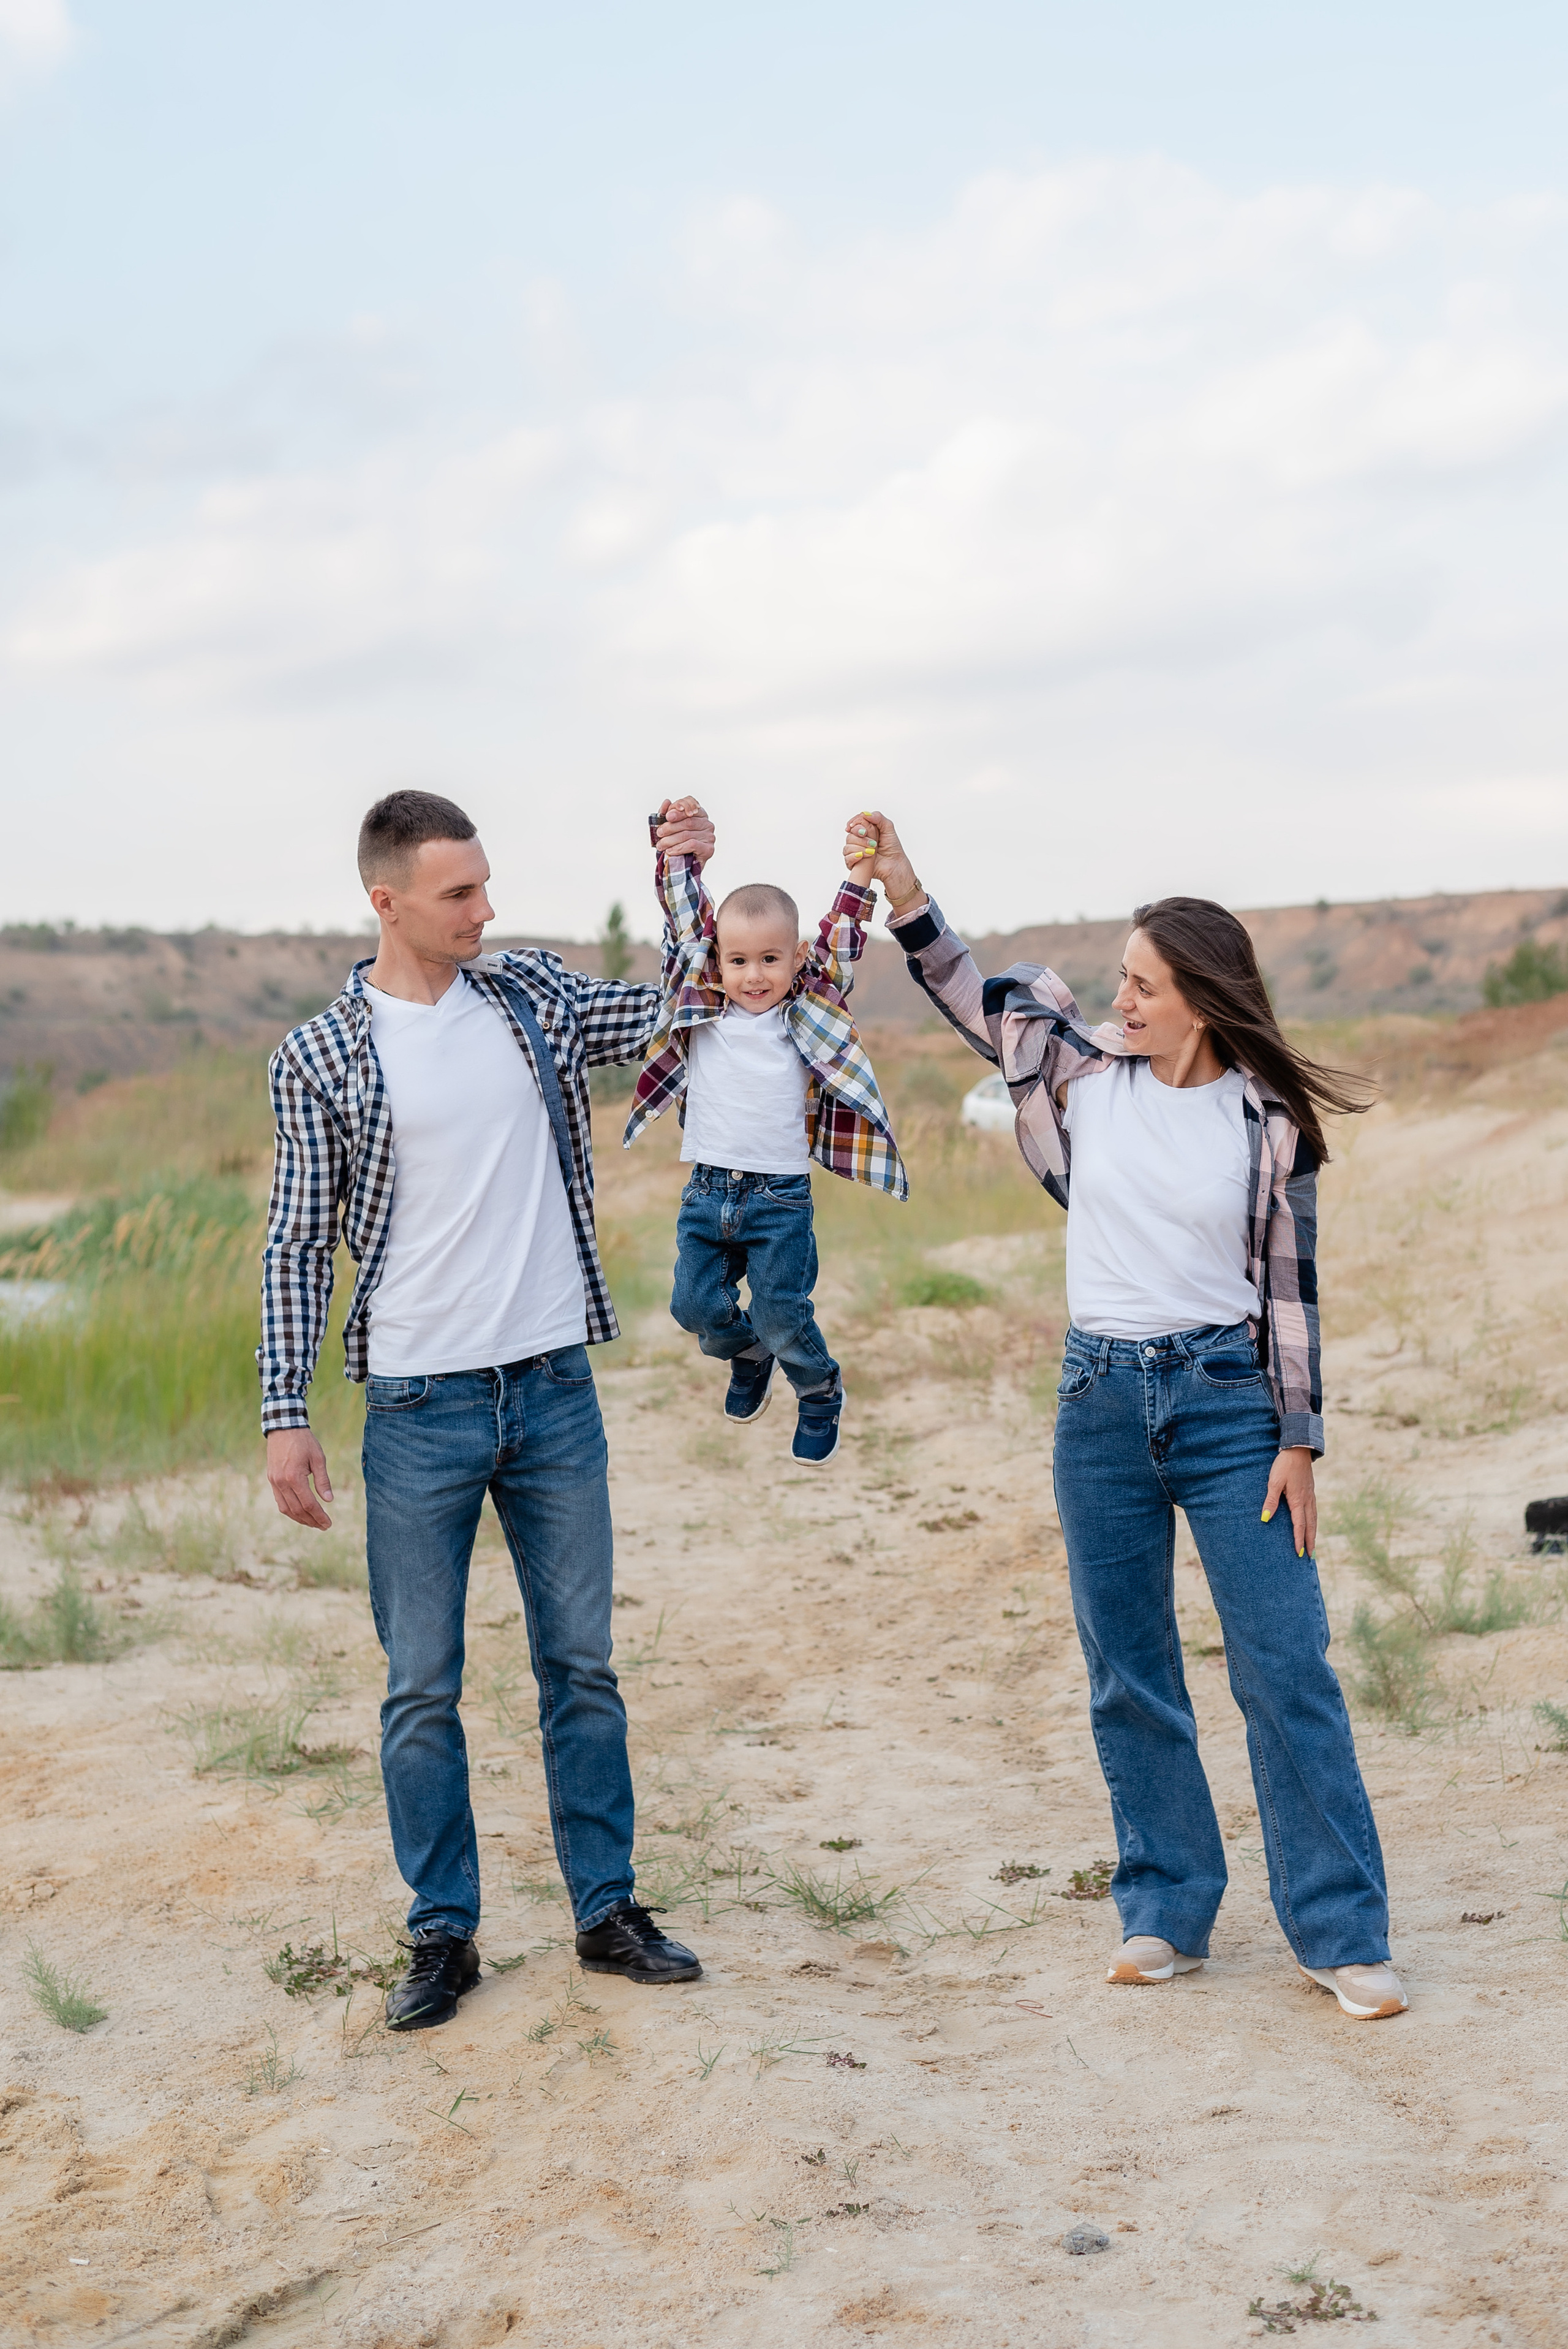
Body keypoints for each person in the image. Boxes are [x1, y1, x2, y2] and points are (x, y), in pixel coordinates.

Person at [843, 810, 1407, 2024]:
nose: (1121, 999)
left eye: (1144, 984)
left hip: (1228, 1407)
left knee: (1284, 1665)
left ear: (1202, 997)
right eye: (1120, 979)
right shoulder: (1081, 1073)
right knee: (1127, 1671)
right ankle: (1165, 1907)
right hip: (1095, 1400)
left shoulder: (1267, 1119)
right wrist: (906, 891)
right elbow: (966, 991)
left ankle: (1340, 1929)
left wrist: (1298, 1439)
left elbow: (1288, 1291)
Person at [260, 789, 712, 2029]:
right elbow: (297, 1244)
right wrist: (284, 1408)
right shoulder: (320, 1054)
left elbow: (686, 1001)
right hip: (419, 1404)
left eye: (485, 884)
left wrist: (681, 875)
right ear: (387, 900)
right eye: (458, 893)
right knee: (421, 1684)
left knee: (582, 1667)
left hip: (553, 1387)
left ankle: (607, 1911)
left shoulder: (532, 998)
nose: (484, 909)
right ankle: (442, 1931)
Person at [624, 799, 907, 1466]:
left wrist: (862, 871)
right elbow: (684, 914)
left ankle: (818, 1388)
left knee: (783, 1312)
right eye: (740, 961)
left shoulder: (807, 1008)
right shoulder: (701, 1000)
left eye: (771, 960)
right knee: (693, 1307)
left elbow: (843, 936)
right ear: (718, 962)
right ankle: (747, 1354)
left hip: (779, 1200)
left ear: (796, 957)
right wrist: (675, 851)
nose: (754, 976)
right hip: (707, 1191)